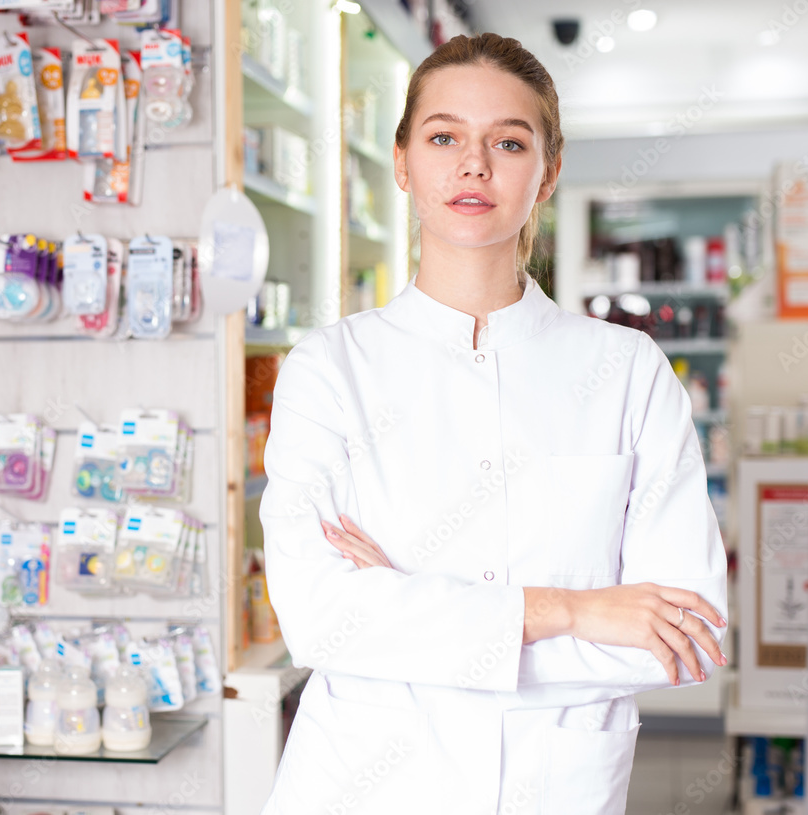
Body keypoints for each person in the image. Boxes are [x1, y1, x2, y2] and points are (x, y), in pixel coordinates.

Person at [258, 32, 728, 815]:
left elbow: (681, 631)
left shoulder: (627, 371)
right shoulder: (329, 367)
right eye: (444, 137)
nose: (474, 165)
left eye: (508, 142)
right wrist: (576, 608)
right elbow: (319, 617)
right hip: (362, 785)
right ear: (404, 161)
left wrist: (406, 613)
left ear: (548, 169)